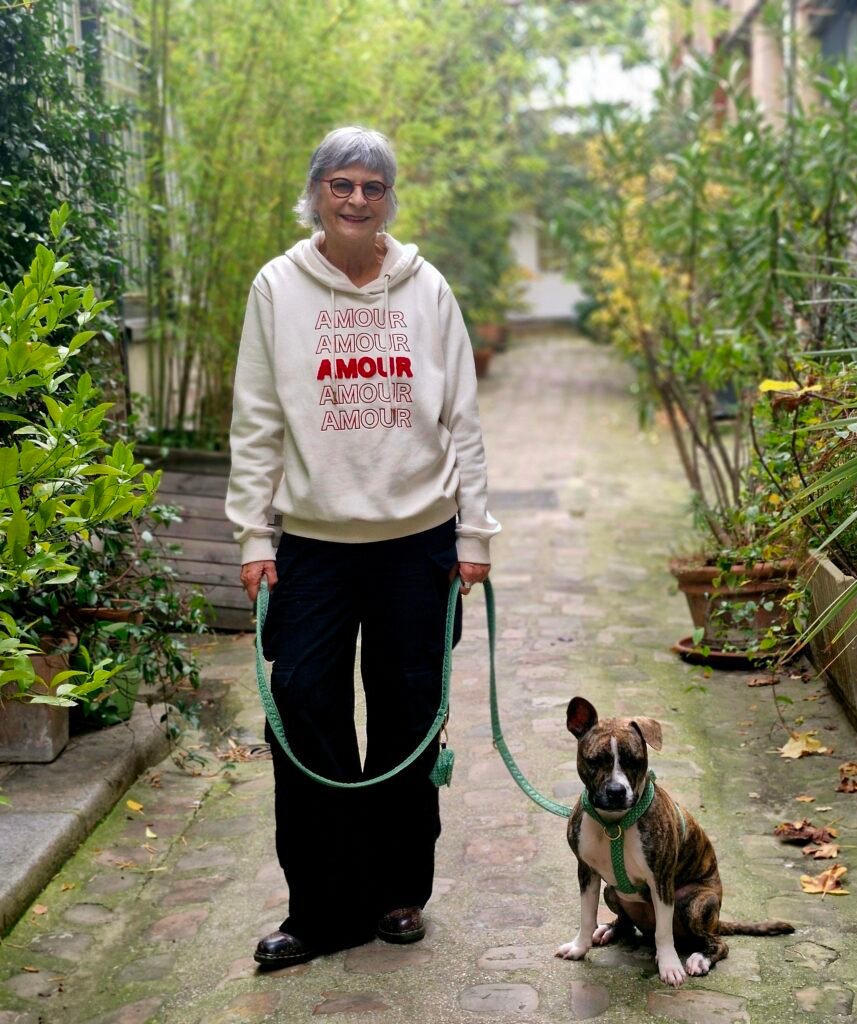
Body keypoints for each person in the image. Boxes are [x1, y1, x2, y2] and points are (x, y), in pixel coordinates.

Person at [225, 125, 500, 969]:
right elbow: (258, 419)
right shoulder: (279, 287)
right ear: (315, 192)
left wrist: (474, 532)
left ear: (389, 200)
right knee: (303, 710)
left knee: (409, 717)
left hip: (417, 542)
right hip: (310, 543)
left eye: (371, 188)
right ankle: (320, 908)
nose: (354, 200)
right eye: (340, 185)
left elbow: (463, 419)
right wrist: (252, 533)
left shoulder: (427, 291)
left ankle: (396, 893)